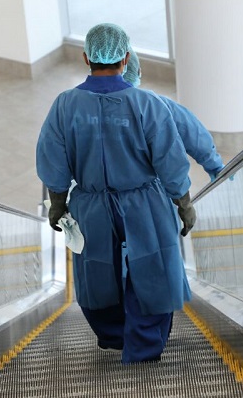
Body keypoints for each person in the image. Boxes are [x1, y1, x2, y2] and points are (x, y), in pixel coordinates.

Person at [36, 23, 195, 364]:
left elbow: (53, 159)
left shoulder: (64, 105)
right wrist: (184, 204)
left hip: (90, 204)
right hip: (145, 203)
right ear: (125, 59)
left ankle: (112, 336)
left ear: (86, 58)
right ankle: (144, 346)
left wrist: (58, 204)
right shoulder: (147, 104)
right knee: (153, 270)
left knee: (96, 271)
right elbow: (170, 161)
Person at [122, 48, 224, 182]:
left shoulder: (92, 107)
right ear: (138, 72)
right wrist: (215, 165)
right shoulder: (156, 105)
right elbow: (193, 134)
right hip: (148, 187)